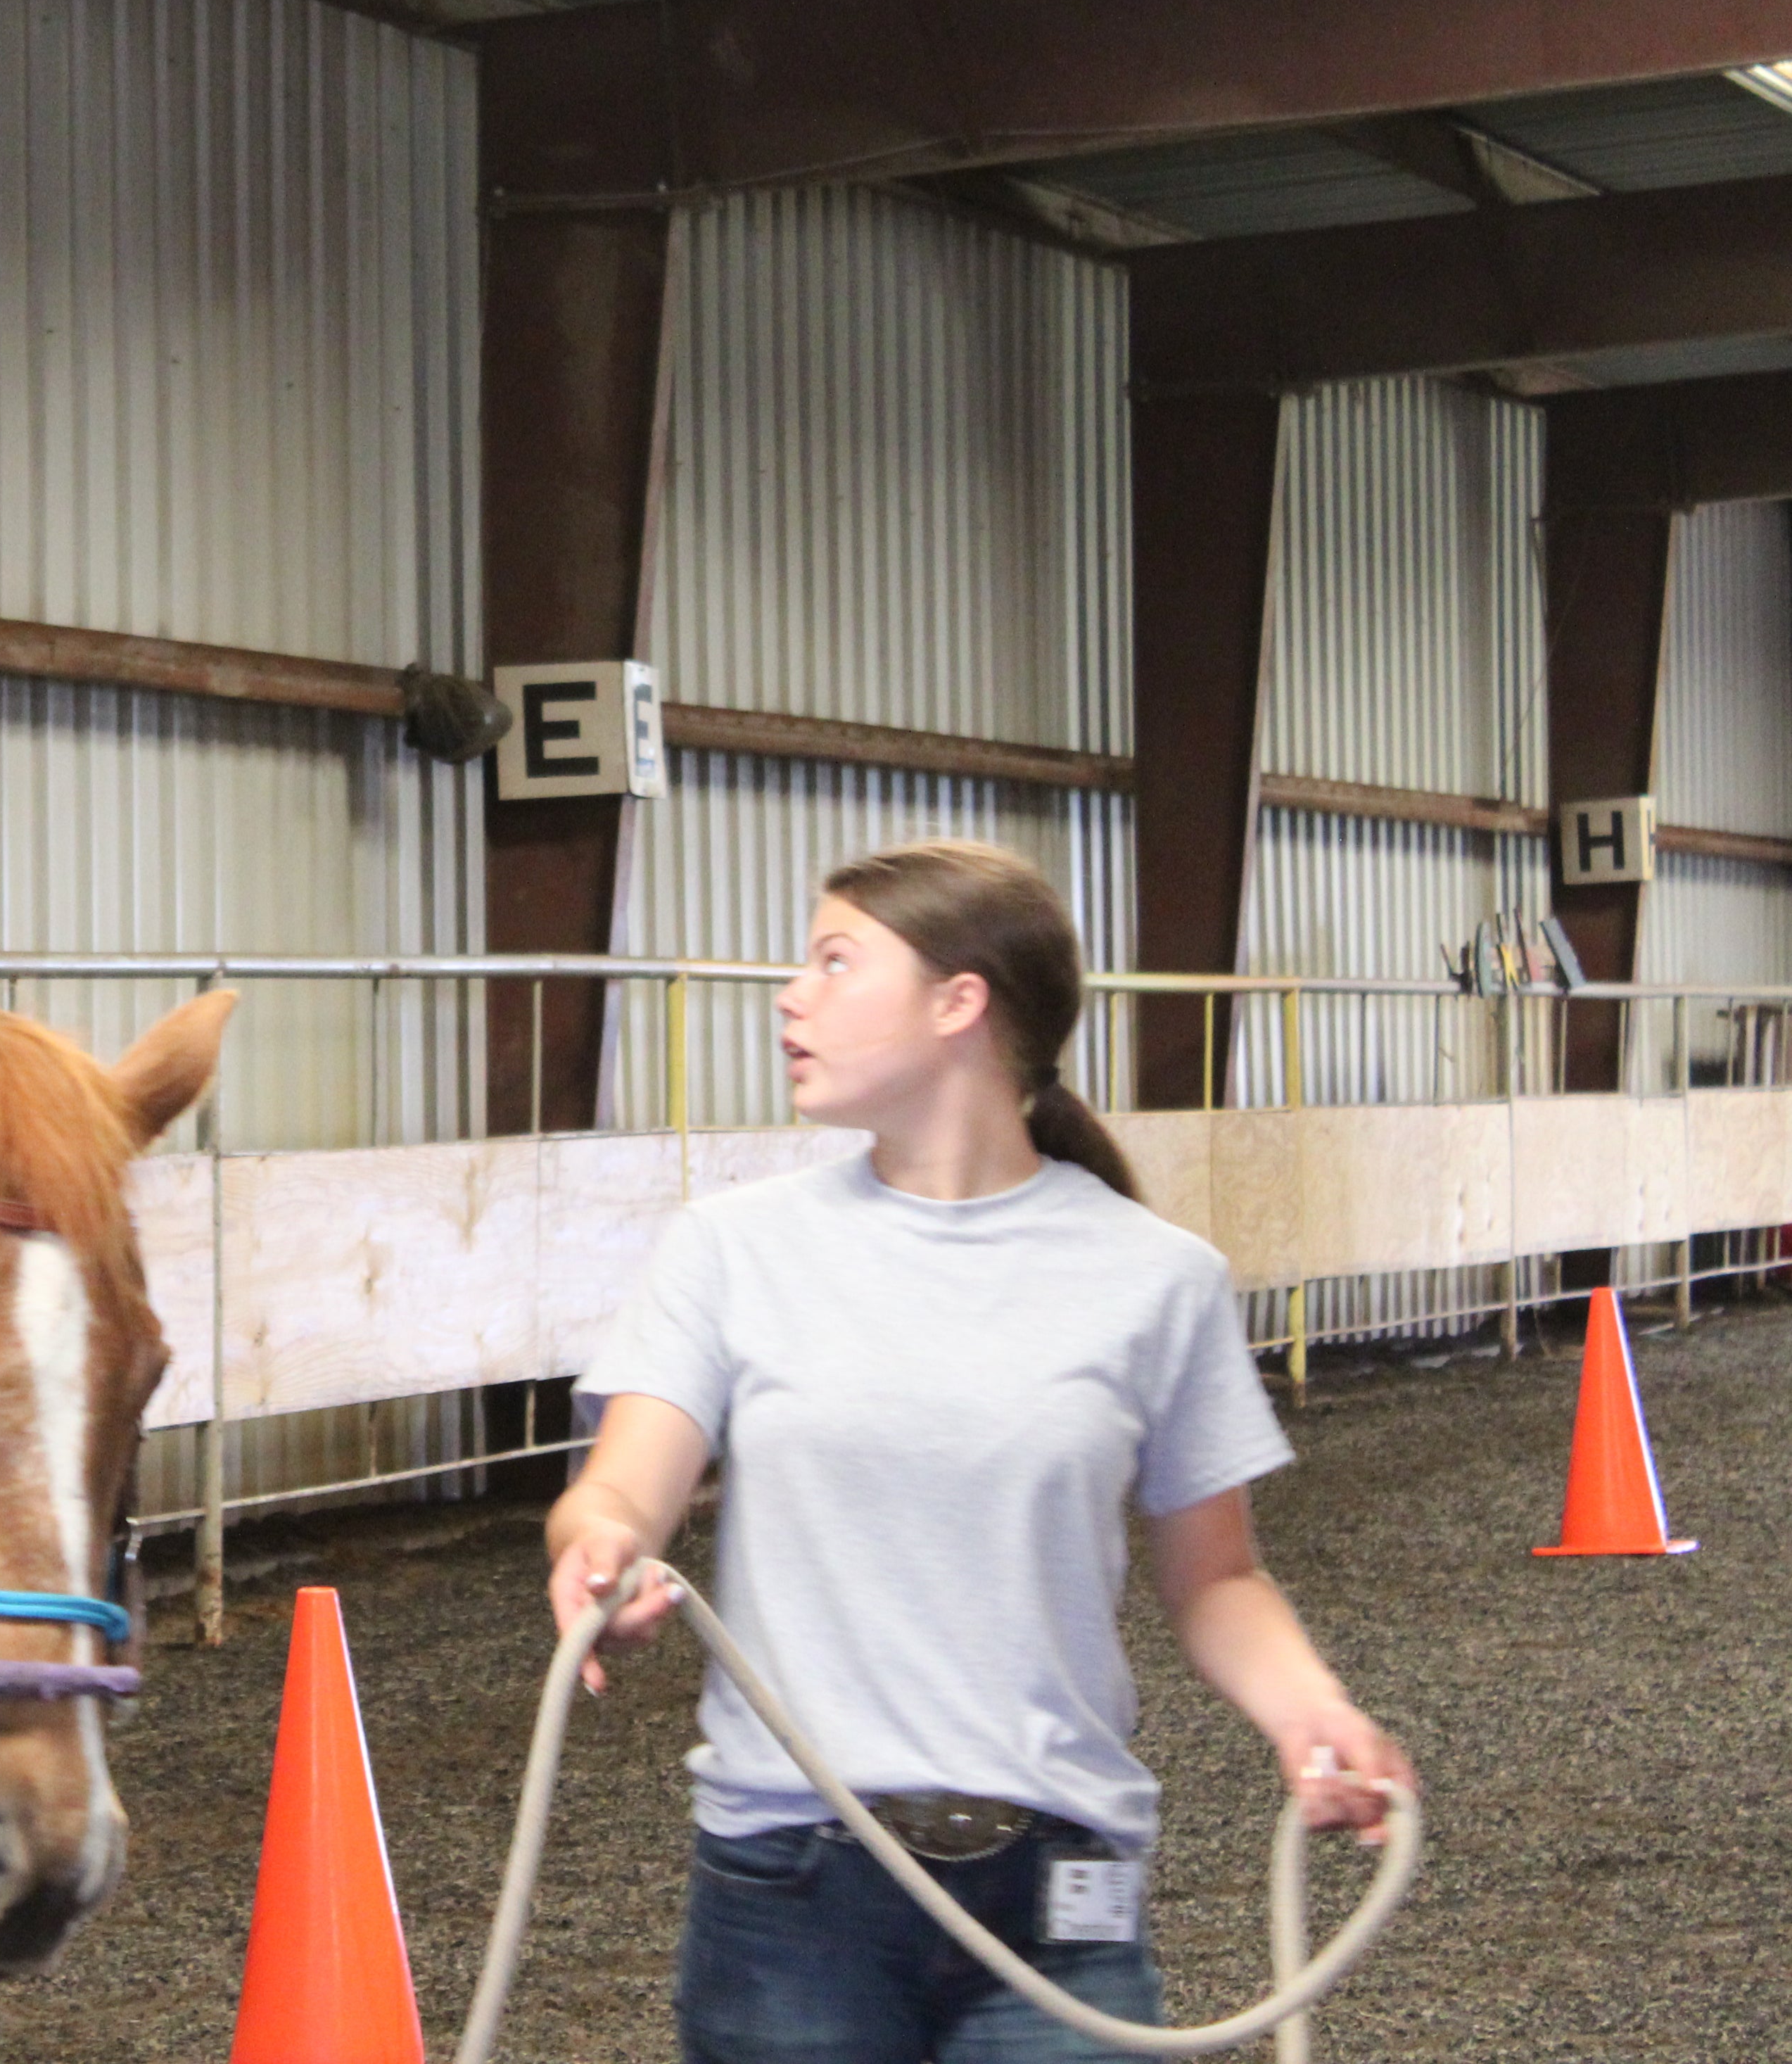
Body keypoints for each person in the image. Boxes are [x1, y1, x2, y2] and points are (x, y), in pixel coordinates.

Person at [546, 840, 1415, 2063]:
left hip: (1063, 1894)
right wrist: (601, 1550)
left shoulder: (1158, 1280)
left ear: (960, 1003)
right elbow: (626, 1482)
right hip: (789, 1892)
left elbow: (1216, 1576)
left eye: (836, 962)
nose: (791, 996)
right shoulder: (729, 1250)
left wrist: (1313, 1714)